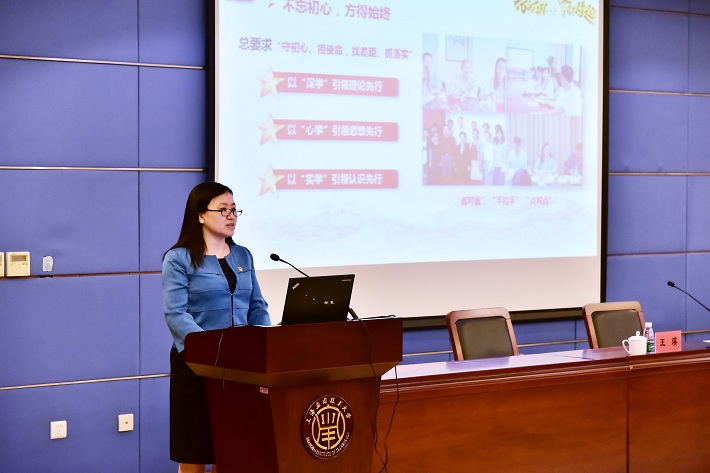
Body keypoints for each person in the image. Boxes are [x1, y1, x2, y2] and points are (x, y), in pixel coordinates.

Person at [162, 182, 271, 473]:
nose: (231, 215)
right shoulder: (178, 259)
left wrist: (265, 341)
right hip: (197, 365)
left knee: (234, 446)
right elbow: (176, 314)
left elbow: (257, 306)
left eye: (234, 210)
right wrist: (210, 350)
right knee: (195, 448)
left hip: (240, 366)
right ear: (200, 215)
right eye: (222, 210)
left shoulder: (243, 255)